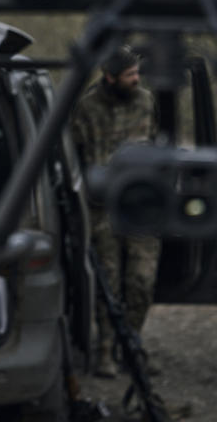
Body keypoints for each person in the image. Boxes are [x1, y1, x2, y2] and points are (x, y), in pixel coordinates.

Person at [70, 45, 159, 378]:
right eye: (129, 75)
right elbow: (72, 156)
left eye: (137, 74)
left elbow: (153, 145)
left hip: (140, 206)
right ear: (109, 77)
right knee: (108, 282)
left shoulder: (146, 102)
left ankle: (131, 346)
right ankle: (104, 350)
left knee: (142, 280)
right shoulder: (86, 109)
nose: (136, 80)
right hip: (101, 208)